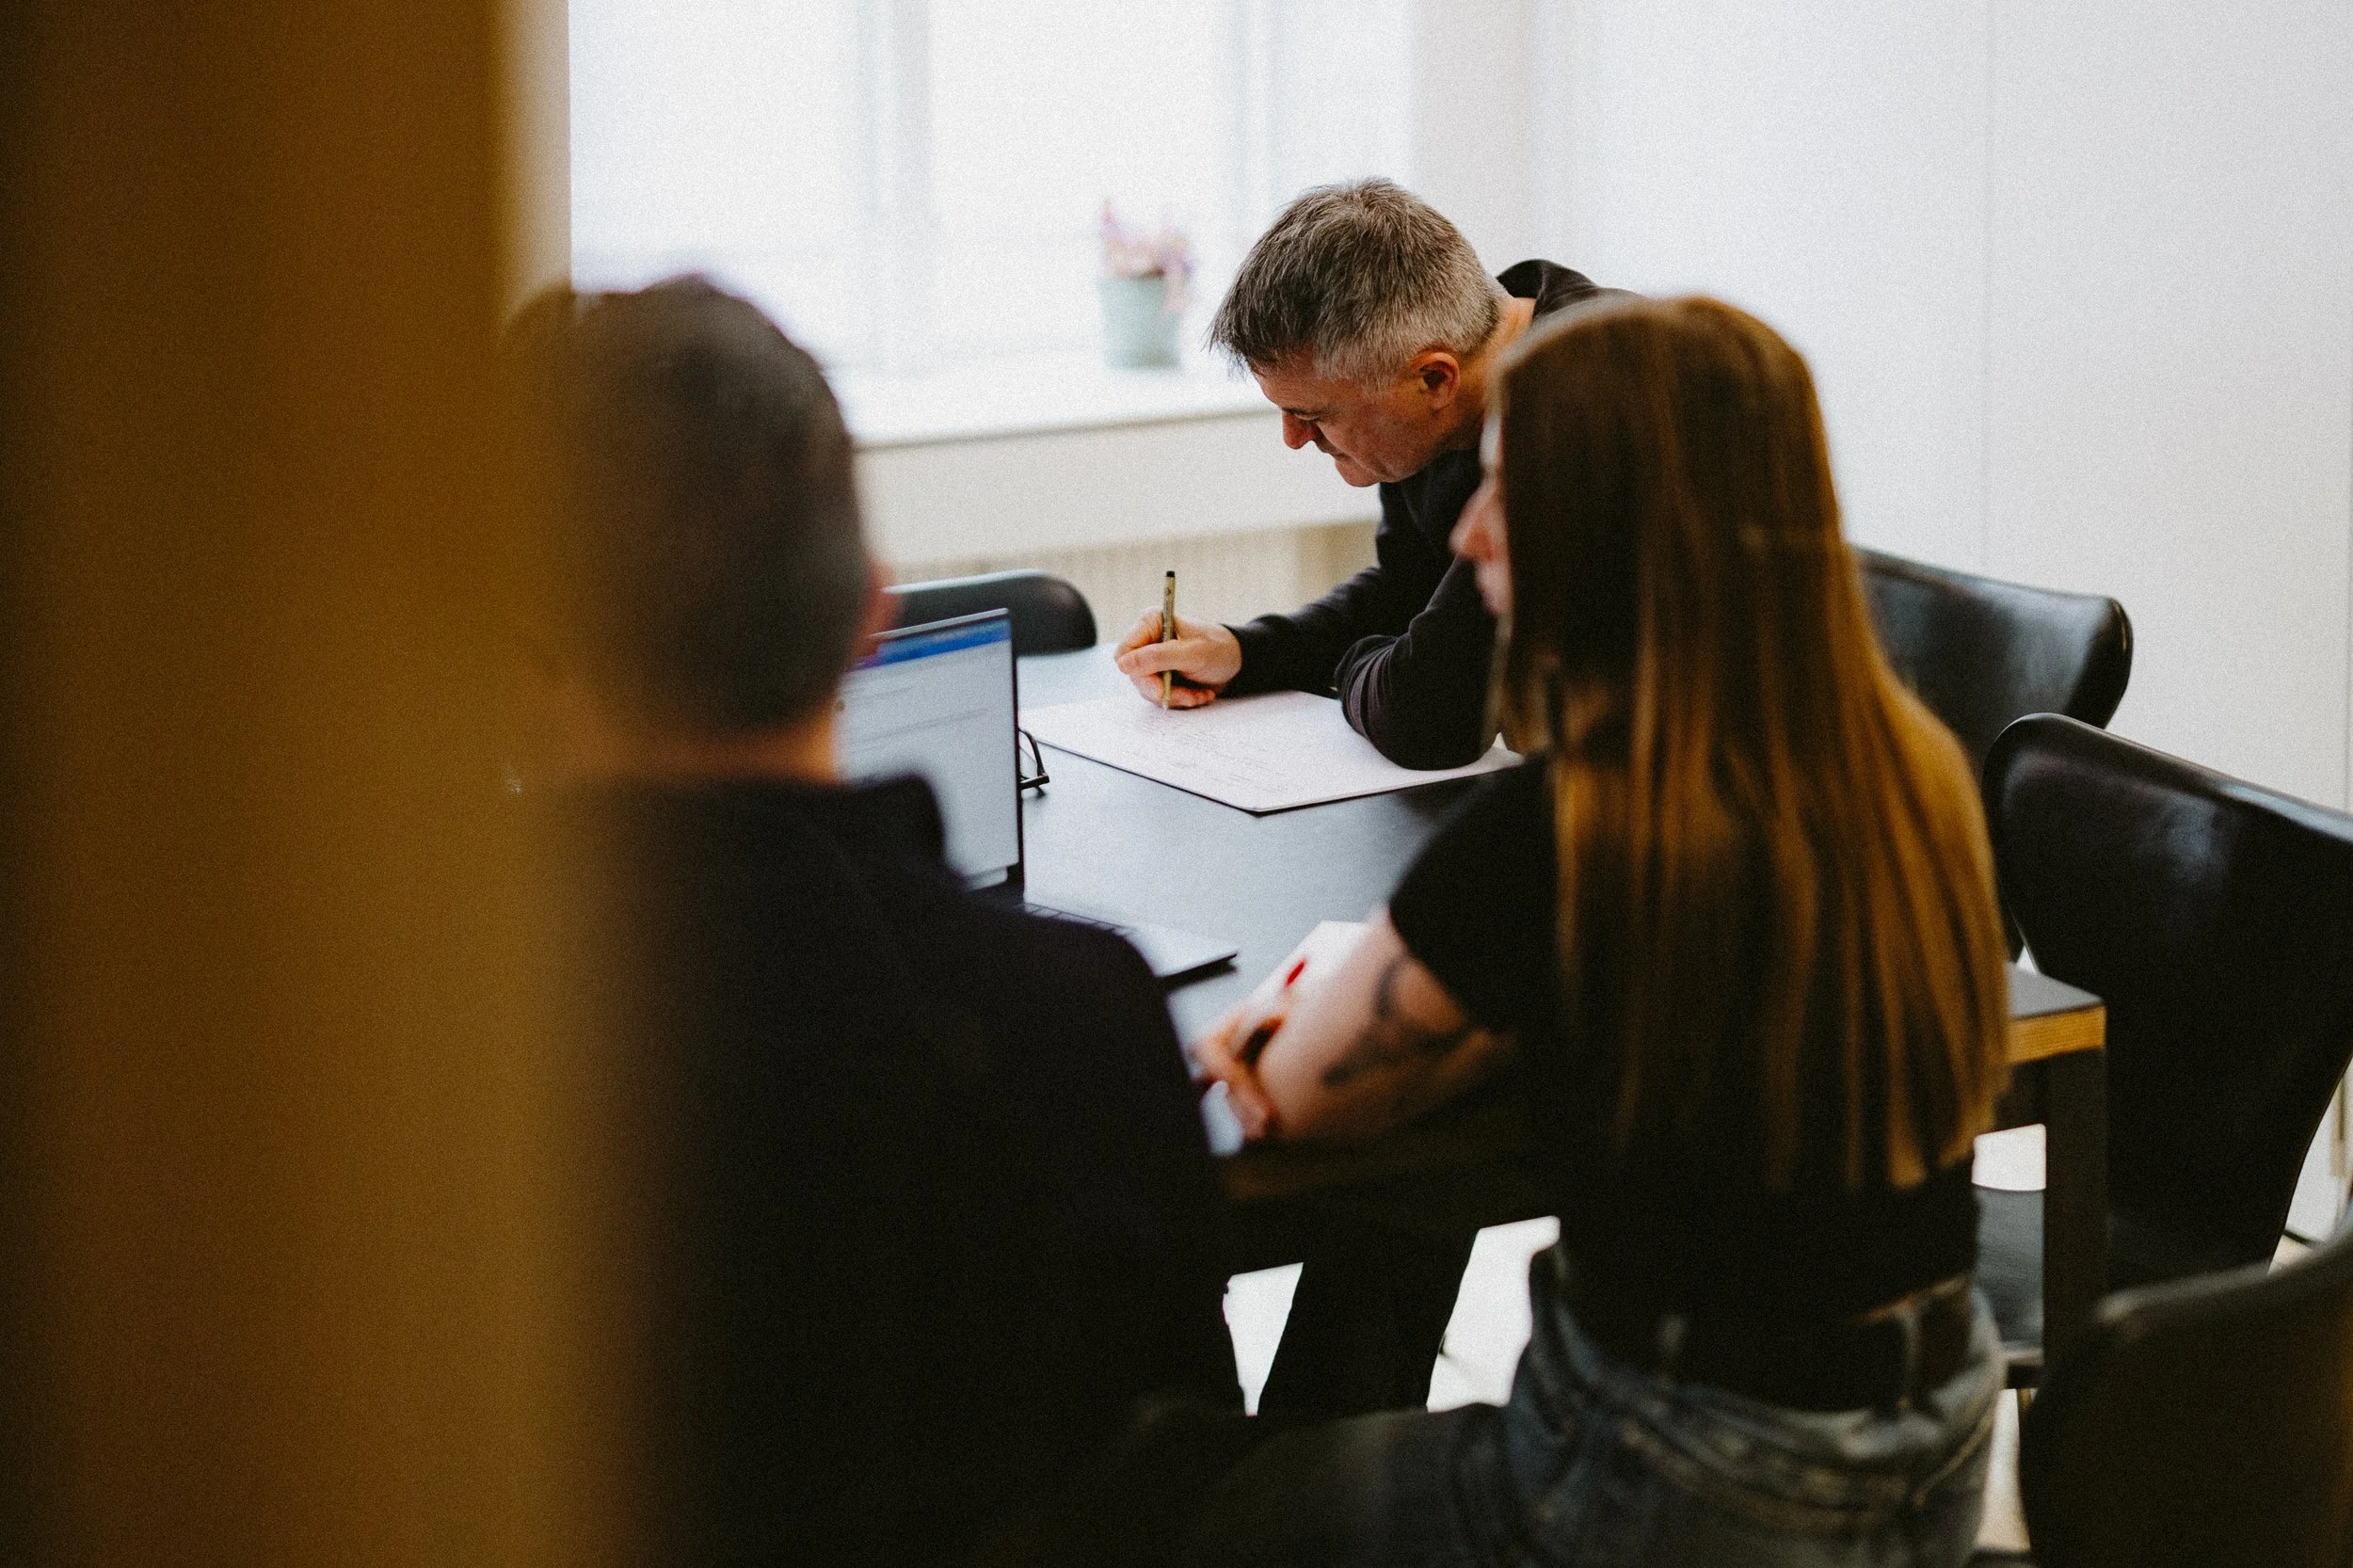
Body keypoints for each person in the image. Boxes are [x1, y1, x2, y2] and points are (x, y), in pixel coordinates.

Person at [1182, 296, 2013, 1567]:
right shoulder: (1917, 778)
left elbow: (1300, 1097)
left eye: (1510, 490)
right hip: (1936, 1439)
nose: (1468, 528)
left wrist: (1281, 1032)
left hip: (1675, 1482)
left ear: (1620, 529)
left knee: (1194, 1500)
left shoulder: (1577, 824)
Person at [505, 279, 1241, 1566]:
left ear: (514, 660)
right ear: (870, 615)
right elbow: (1184, 1463)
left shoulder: (413, 1101)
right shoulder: (1090, 1010)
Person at [1112, 178, 1620, 771]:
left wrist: (1355, 662)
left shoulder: (1585, 407)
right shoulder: (1457, 358)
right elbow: (1410, 592)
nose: (1294, 439)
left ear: (1434, 380)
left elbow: (1428, 716)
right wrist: (1245, 651)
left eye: (1312, 415)